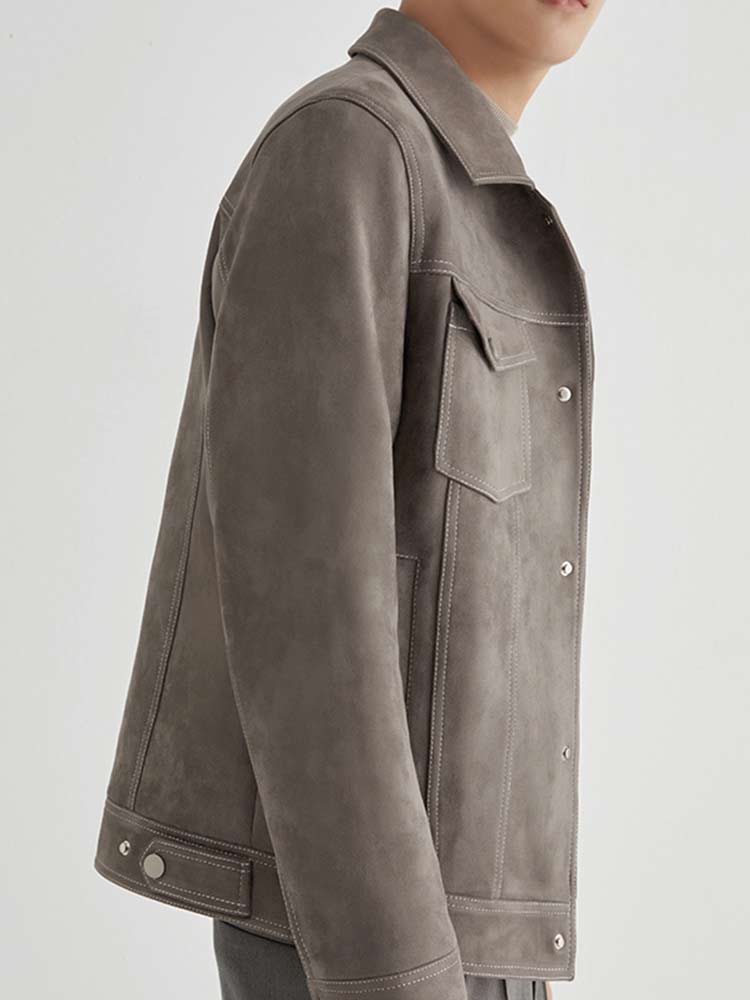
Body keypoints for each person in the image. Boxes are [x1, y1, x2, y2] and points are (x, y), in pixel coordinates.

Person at [93, 3, 604, 999]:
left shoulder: (461, 191)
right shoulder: (348, 149)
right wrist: (403, 978)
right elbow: (307, 620)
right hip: (363, 949)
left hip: (466, 944)